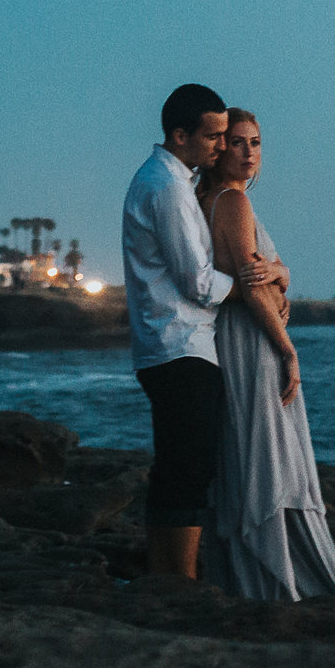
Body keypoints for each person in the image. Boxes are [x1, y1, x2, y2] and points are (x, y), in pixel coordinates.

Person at [198, 109, 335, 607]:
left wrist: (282, 273)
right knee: (269, 453)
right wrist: (289, 351)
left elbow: (258, 275)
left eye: (256, 142)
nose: (249, 152)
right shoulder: (232, 202)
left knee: (252, 449)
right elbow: (252, 291)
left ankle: (255, 572)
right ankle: (280, 576)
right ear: (218, 149)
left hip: (233, 337)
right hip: (252, 340)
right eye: (237, 143)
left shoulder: (214, 201)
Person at [122, 83, 278, 581]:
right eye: (212, 136)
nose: (220, 146)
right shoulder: (167, 188)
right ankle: (178, 579)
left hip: (171, 344)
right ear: (179, 134)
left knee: (178, 467)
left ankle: (167, 573)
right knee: (187, 472)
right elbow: (197, 280)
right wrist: (255, 285)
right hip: (178, 345)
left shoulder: (171, 181)